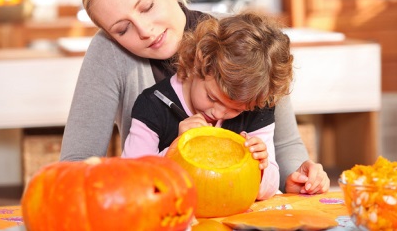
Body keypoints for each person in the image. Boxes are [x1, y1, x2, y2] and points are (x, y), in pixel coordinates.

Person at [60, 0, 330, 194]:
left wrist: (297, 176)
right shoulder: (108, 52)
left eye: (147, 7)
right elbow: (77, 165)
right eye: (122, 29)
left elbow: (283, 145)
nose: (145, 31)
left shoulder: (241, 40)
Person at [122, 11, 293, 200]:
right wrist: (176, 151)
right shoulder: (152, 105)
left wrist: (261, 166)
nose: (219, 113)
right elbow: (132, 183)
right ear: (199, 62)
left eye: (236, 109)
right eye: (212, 97)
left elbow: (268, 191)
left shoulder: (256, 107)